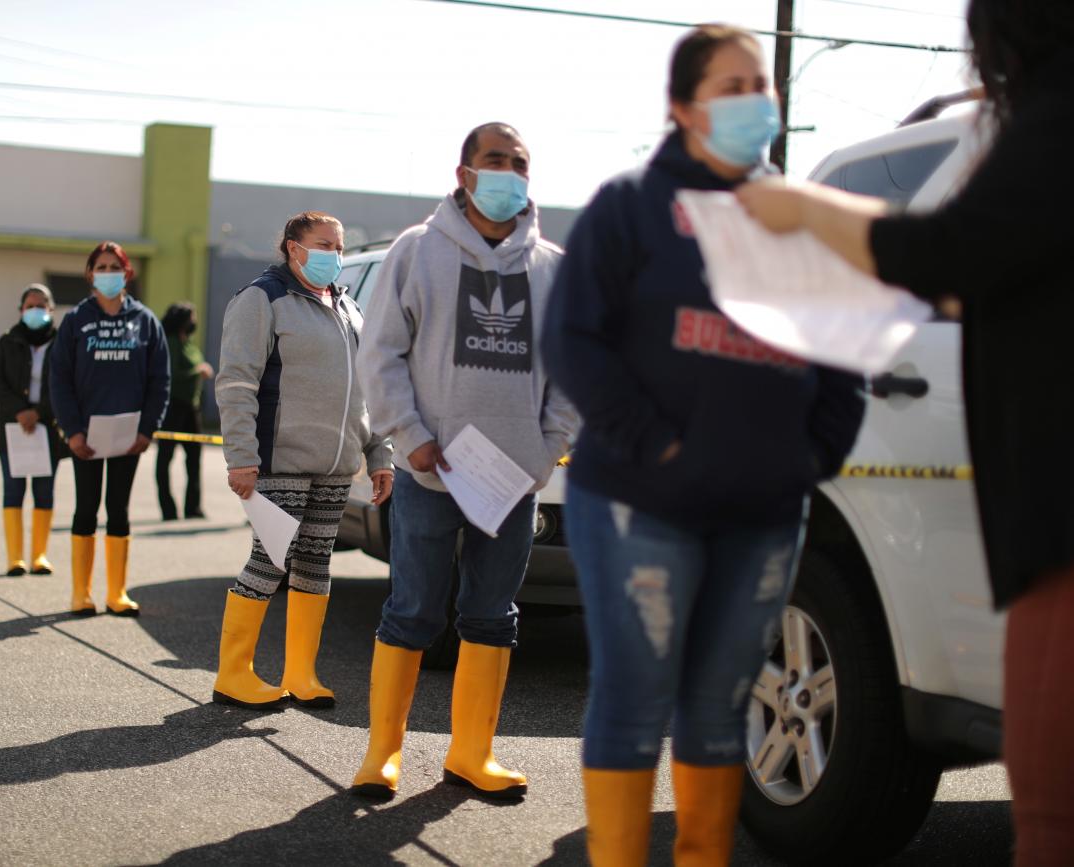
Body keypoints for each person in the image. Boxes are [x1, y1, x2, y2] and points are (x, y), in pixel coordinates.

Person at [735, 5, 1074, 863]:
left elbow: (954, 253)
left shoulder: (1055, 117)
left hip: (1058, 529)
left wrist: (802, 210)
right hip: (1044, 523)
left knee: (1050, 818)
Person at [540, 26, 869, 865]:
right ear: (682, 107)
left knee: (721, 705)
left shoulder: (797, 222)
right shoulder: (632, 206)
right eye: (733, 85)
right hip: (638, 507)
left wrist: (811, 461)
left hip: (765, 514)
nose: (757, 98)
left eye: (762, 82)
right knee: (635, 700)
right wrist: (656, 446)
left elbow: (844, 357)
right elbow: (574, 340)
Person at [351, 124, 578, 800]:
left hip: (511, 480)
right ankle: (381, 755)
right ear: (464, 172)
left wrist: (546, 451)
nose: (509, 172)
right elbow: (381, 353)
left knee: (492, 613)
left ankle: (471, 753)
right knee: (412, 609)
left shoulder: (554, 268)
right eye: (495, 160)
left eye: (520, 163)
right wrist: (409, 434)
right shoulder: (417, 252)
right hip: (429, 470)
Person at [214, 211, 393, 710]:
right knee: (270, 561)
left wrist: (381, 454)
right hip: (279, 461)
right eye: (323, 244)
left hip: (337, 465)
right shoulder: (262, 299)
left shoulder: (348, 308)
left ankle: (301, 673)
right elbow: (235, 383)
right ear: (293, 247)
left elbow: (369, 392)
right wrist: (242, 456)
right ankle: (233, 674)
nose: (334, 254)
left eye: (339, 246)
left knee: (315, 564)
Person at [50, 241, 169, 617]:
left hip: (128, 435)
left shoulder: (145, 320)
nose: (107, 273)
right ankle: (80, 593)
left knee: (118, 509)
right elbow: (59, 379)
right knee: (86, 508)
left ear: (127, 273)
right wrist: (72, 430)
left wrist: (147, 430)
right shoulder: (75, 320)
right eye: (100, 267)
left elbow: (159, 379)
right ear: (89, 274)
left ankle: (117, 593)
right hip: (86, 435)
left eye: (113, 267)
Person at [0, 284, 67, 577]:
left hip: (48, 426)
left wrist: (40, 412)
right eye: (30, 305)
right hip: (12, 426)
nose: (36, 310)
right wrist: (20, 411)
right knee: (14, 489)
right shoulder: (8, 341)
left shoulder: (62, 343)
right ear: (21, 310)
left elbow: (65, 383)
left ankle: (39, 555)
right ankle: (15, 558)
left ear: (51, 309)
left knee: (44, 491)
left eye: (41, 305)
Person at [156, 301, 213, 521]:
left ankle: (193, 507)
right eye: (192, 317)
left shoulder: (189, 343)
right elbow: (171, 372)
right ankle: (168, 509)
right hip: (172, 406)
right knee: (165, 458)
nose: (194, 322)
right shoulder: (169, 342)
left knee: (194, 458)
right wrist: (197, 371)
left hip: (191, 407)